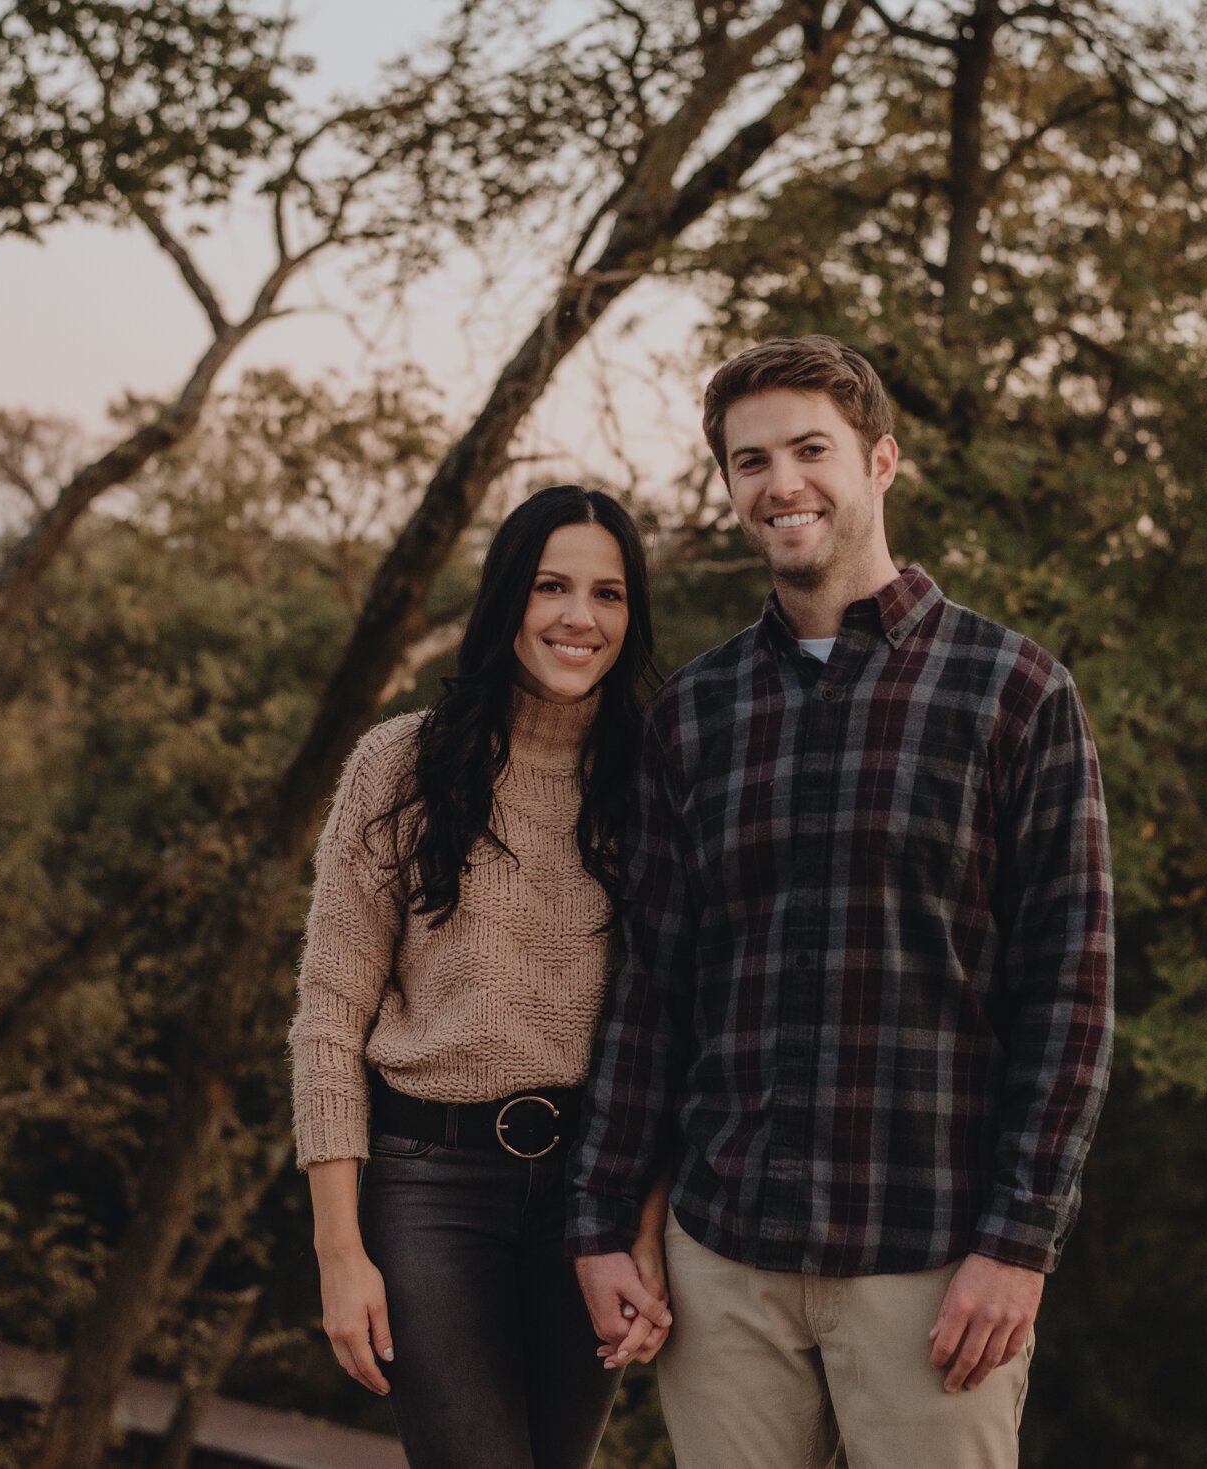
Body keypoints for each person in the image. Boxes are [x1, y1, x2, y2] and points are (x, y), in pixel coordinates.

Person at [567, 336, 1115, 1468]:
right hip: (724, 1258)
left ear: (880, 460)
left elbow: (1069, 994)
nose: (781, 484)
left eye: (809, 449)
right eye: (748, 460)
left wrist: (1018, 1242)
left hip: (931, 1260)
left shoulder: (1013, 692)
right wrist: (602, 1217)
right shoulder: (693, 714)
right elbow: (651, 993)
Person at [289, 484, 672, 1469]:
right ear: (508, 597)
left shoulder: (656, 783)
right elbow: (329, 1015)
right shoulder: (399, 765)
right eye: (551, 585)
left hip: (592, 1195)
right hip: (431, 1186)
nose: (578, 616)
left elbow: (677, 1026)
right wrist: (340, 1250)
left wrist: (644, 1224)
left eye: (608, 593)